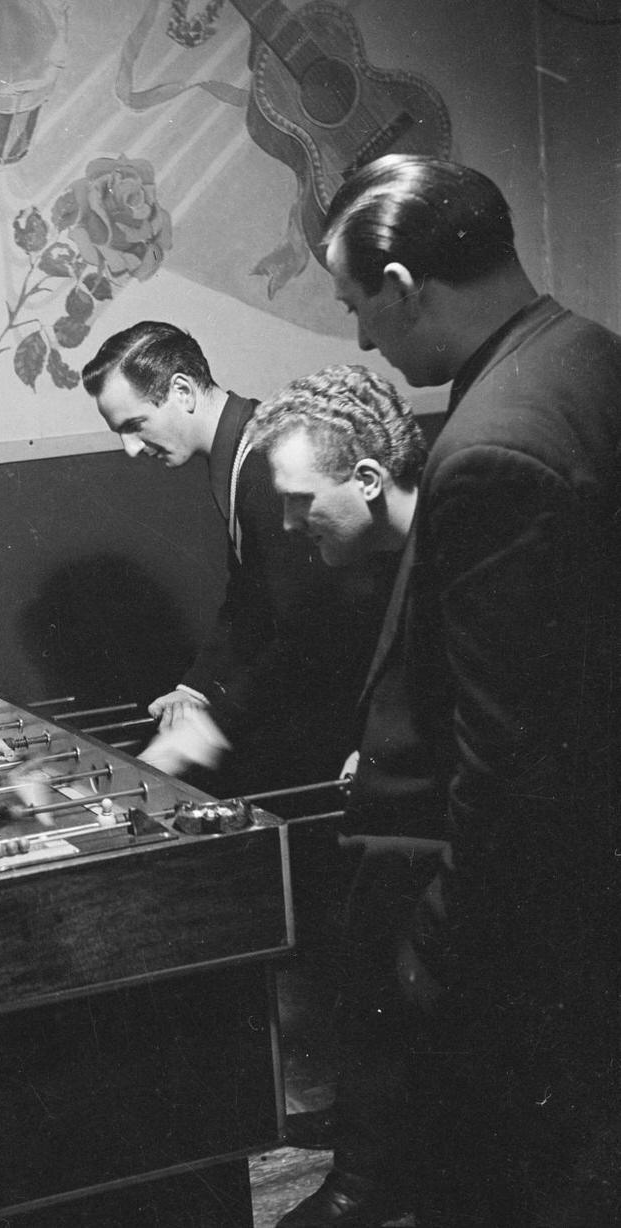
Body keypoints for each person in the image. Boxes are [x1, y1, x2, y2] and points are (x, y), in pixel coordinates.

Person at [282, 154, 621, 1227]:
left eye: (356, 306)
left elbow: (512, 757)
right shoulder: (585, 358)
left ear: (399, 281)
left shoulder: (491, 448)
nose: (363, 340)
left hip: (518, 927)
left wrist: (432, 950)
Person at [247, 365, 443, 1226]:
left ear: (367, 480)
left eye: (299, 500)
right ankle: (369, 1178)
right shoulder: (383, 554)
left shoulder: (457, 545)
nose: (288, 523)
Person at [81, 321, 393, 797]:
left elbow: (304, 635)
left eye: (135, 425)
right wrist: (196, 688)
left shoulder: (266, 461)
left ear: (181, 390)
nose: (130, 448)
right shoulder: (241, 444)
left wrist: (197, 735)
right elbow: (250, 594)